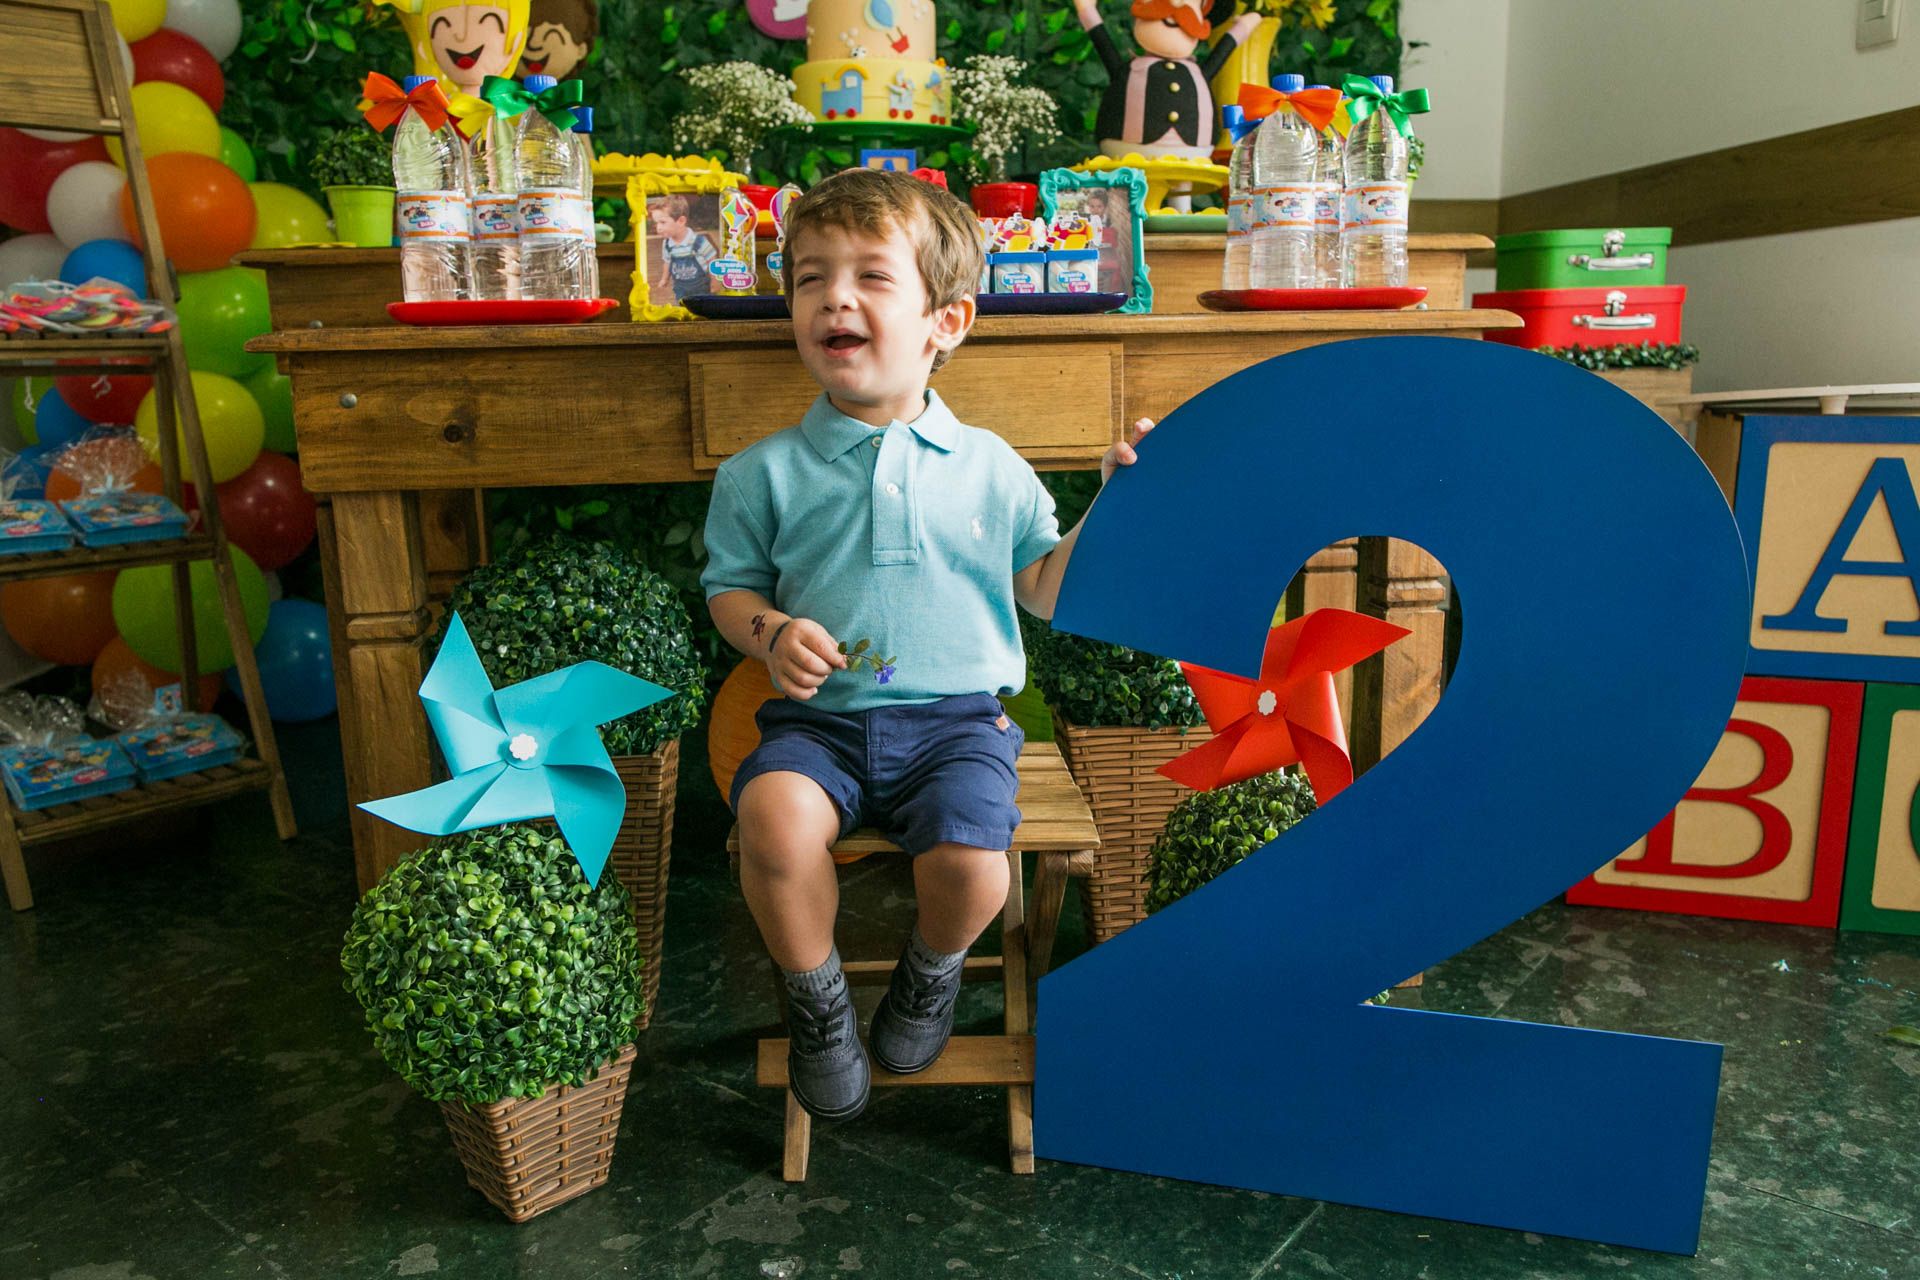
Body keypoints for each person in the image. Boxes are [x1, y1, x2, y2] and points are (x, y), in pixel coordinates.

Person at [701, 167, 1153, 1122]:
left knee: (975, 865)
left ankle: (931, 972)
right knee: (771, 827)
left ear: (946, 322)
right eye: (812, 277)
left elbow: (1043, 587)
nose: (834, 296)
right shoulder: (762, 473)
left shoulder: (992, 466)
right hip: (815, 726)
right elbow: (727, 592)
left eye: (871, 276)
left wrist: (1118, 516)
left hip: (958, 725)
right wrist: (771, 631)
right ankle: (820, 1001)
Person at [651, 195, 719, 302]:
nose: (658, 228)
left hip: (701, 288)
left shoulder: (699, 242)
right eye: (656, 223)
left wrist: (715, 282)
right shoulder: (667, 244)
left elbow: (713, 262)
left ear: (681, 221)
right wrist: (665, 279)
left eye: (662, 222)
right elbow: (667, 262)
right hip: (681, 289)